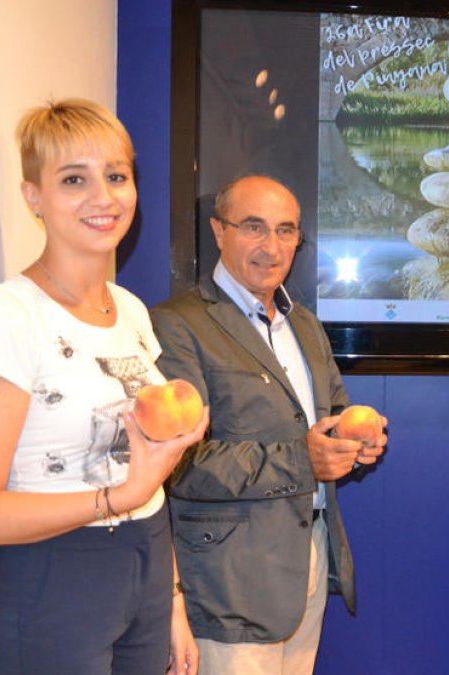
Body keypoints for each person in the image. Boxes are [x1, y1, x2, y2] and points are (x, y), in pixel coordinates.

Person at [0, 99, 209, 674]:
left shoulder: (132, 311)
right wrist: (119, 498)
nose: (103, 197)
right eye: (74, 179)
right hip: (52, 584)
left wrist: (171, 601)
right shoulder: (9, 313)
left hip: (144, 570)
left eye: (116, 176)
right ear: (33, 197)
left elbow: (150, 480)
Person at [150, 174, 385, 674]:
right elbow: (180, 462)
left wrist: (354, 440)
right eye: (253, 227)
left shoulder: (303, 324)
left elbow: (333, 414)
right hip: (229, 581)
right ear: (218, 231)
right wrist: (305, 459)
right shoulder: (177, 324)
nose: (271, 246)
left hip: (309, 561)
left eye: (286, 231)